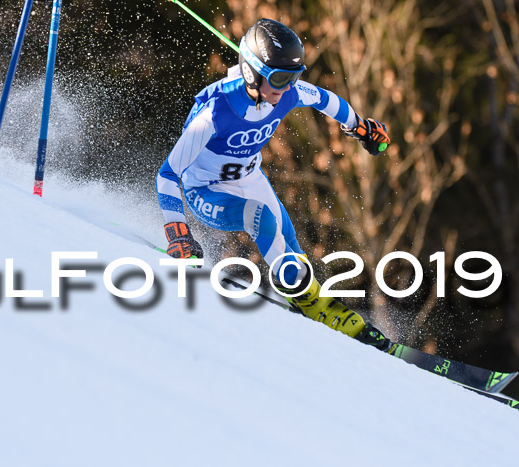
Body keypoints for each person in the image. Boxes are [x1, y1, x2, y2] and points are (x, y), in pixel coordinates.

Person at [155, 18, 392, 349]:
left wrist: (359, 127)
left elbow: (326, 101)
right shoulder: (216, 113)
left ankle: (309, 299)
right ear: (252, 72)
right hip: (205, 191)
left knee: (289, 239)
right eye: (280, 78)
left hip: (250, 177)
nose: (286, 88)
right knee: (262, 219)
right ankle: (313, 301)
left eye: (294, 77)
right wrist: (177, 231)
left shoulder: (286, 92)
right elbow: (167, 175)